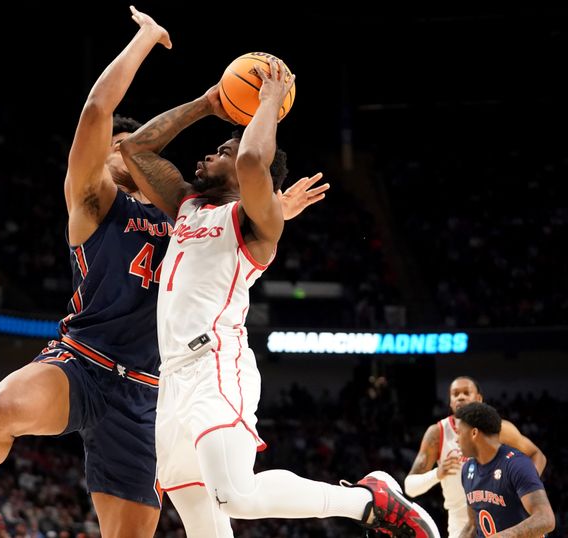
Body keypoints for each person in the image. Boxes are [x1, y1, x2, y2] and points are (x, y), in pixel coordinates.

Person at [0, 8, 329, 537]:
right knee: (0, 410)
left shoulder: (186, 209)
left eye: (124, 144)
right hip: (84, 363)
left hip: (151, 394)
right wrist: (147, 45)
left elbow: (243, 227)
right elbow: (96, 109)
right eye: (112, 145)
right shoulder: (92, 203)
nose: (116, 149)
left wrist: (274, 210)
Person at [121, 59, 438, 537]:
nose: (205, 157)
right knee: (200, 518)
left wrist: (267, 103)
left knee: (236, 495)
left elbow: (253, 163)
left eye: (220, 151)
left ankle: (367, 502)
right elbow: (135, 148)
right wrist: (208, 103)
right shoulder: (187, 203)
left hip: (215, 364)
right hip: (173, 377)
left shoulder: (257, 223)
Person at [405, 376, 547, 537]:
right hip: (462, 526)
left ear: (479, 399)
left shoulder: (498, 429)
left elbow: (537, 455)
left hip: (504, 520)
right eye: (455, 394)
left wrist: (525, 487)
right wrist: (437, 473)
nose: (461, 397)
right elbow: (410, 488)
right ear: (450, 402)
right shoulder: (438, 433)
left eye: (466, 392)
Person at [455, 402, 554, 537]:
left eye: (459, 433)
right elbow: (473, 524)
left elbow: (546, 519)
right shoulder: (467, 470)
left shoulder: (517, 464)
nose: (456, 440)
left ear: (474, 433)